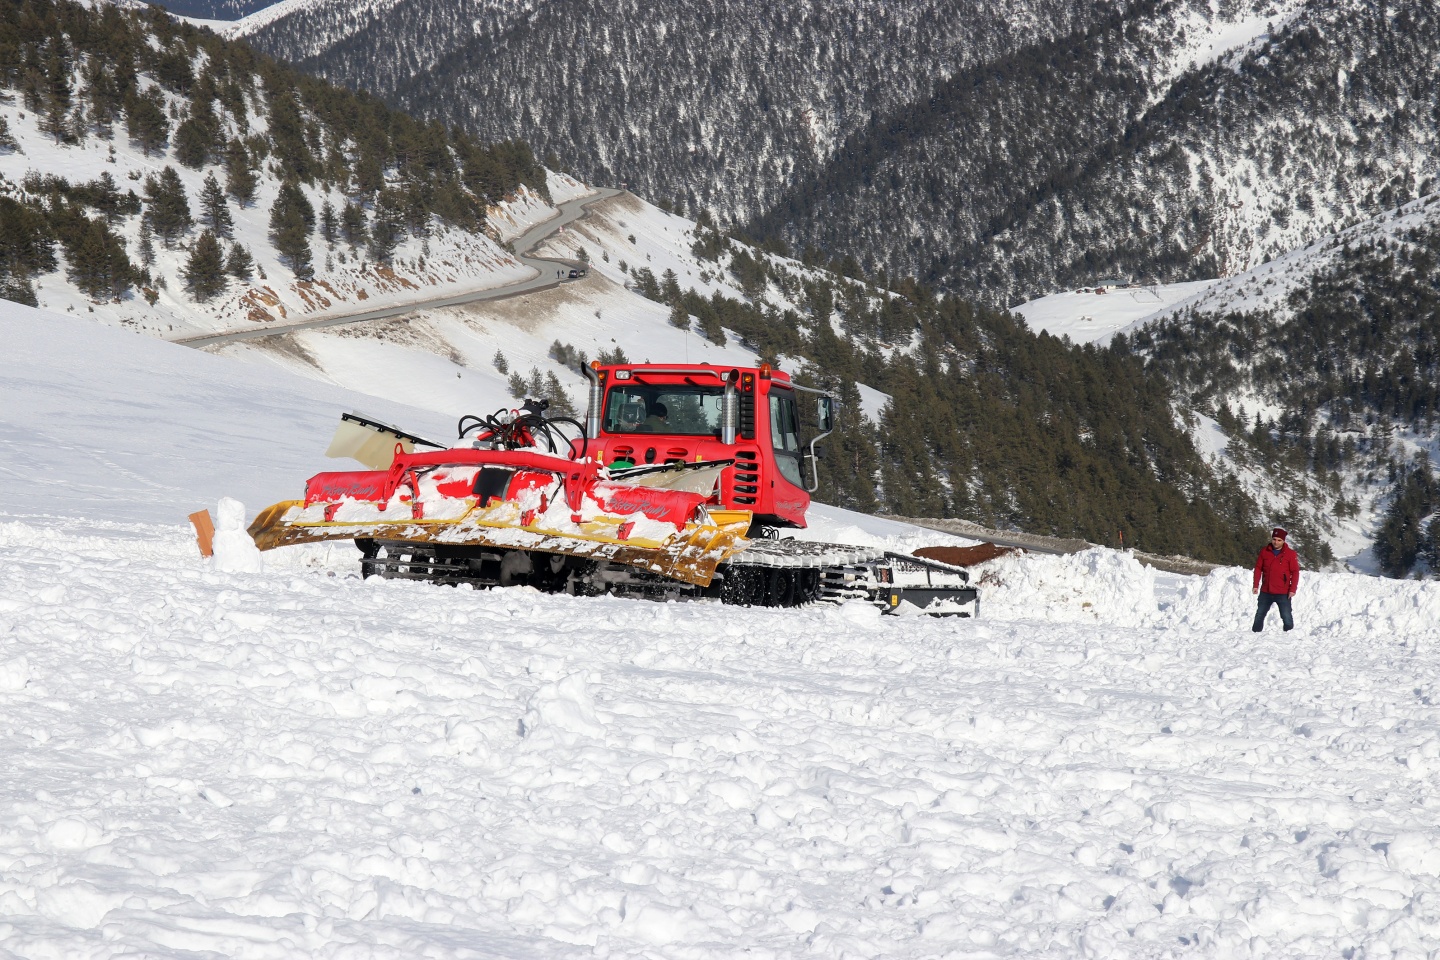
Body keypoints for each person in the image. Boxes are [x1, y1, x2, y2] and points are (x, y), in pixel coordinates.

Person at [1252, 527, 1300, 632]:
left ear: (1283, 541)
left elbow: (1295, 572)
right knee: (1260, 614)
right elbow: (1258, 568)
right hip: (1266, 590)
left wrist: (1292, 589)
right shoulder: (1264, 551)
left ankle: (1289, 635)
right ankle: (1254, 634)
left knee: (1286, 615)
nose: (1276, 542)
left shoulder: (1290, 554)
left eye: (1279, 540)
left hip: (1283, 591)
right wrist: (1256, 585)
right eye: (1274, 539)